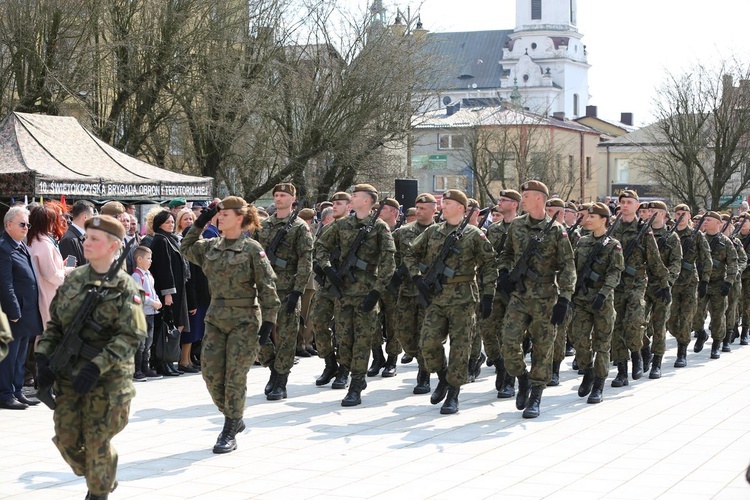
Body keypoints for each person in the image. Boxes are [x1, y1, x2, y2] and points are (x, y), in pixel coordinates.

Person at [35, 215, 147, 499]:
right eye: (87, 237)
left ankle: (98, 490)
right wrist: (44, 358)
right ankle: (103, 474)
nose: (87, 243)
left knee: (97, 441)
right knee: (66, 440)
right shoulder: (74, 281)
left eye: (95, 239)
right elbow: (56, 326)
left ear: (113, 246)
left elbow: (131, 335)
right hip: (70, 376)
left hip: (108, 380)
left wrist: (97, 366)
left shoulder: (125, 287)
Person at [181, 196, 280, 453]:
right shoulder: (211, 247)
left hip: (245, 319)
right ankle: (235, 417)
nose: (220, 216)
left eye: (225, 214)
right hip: (215, 318)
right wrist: (201, 220)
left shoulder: (251, 249)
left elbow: (268, 287)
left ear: (240, 218)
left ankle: (228, 429)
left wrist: (268, 324)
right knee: (211, 375)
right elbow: (186, 246)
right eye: (218, 213)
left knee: (235, 376)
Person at [404, 189, 497, 414]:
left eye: (447, 203)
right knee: (428, 344)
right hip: (436, 298)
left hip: (464, 298)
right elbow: (410, 254)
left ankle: (453, 393)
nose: (442, 206)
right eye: (442, 203)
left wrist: (488, 296)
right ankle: (443, 376)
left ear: (460, 208)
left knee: (460, 347)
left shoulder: (475, 234)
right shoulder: (433, 231)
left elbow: (489, 263)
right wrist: (417, 277)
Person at [497, 181, 575, 418]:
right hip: (519, 295)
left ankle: (536, 396)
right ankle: (522, 378)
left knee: (542, 347)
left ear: (539, 199)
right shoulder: (517, 225)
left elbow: (567, 266)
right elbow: (506, 253)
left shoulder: (556, 230)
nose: (523, 199)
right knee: (509, 341)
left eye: (527, 195)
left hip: (544, 296)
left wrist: (564, 298)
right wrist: (503, 272)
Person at [315, 184, 396, 406]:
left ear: (367, 201)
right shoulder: (342, 225)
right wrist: (328, 268)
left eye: (356, 195)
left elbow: (389, 262)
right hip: (343, 292)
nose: (352, 197)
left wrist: (377, 291)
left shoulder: (379, 228)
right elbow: (320, 246)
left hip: (366, 293)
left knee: (362, 340)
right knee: (343, 339)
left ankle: (356, 384)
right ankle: (347, 373)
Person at [253, 183, 313, 400]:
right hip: (265, 288)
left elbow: (306, 261)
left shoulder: (299, 227)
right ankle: (272, 368)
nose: (278, 199)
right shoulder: (264, 225)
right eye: (276, 195)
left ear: (292, 199)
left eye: (283, 195)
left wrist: (297, 291)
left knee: (287, 336)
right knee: (257, 333)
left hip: (287, 289)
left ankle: (281, 379)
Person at [610, 190, 669, 387]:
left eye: (629, 202)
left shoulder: (644, 230)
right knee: (616, 327)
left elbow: (655, 261)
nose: (625, 205)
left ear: (637, 206)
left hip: (636, 283)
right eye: (622, 202)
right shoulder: (611, 229)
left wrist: (664, 284)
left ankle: (636, 355)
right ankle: (621, 371)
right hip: (615, 285)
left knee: (634, 322)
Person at [569, 203, 624, 403]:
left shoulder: (613, 245)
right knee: (579, 340)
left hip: (602, 302)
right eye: (587, 216)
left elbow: (615, 272)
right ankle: (588, 372)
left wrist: (603, 293)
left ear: (604, 219)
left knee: (602, 344)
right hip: (582, 300)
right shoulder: (582, 242)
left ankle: (599, 384)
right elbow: (573, 269)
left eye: (593, 216)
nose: (588, 219)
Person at [392, 193, 437, 394]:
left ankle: (424, 373)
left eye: (423, 208)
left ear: (434, 210)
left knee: (425, 335)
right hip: (407, 291)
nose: (418, 212)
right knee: (404, 333)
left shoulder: (442, 232)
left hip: (430, 293)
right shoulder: (402, 233)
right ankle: (422, 357)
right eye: (417, 208)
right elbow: (390, 256)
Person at [0, 206, 43, 409]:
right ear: (8, 224)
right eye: (22, 224)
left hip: (26, 311)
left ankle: (17, 391)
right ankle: (5, 394)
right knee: (9, 356)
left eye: (28, 224)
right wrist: (14, 312)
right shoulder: (3, 247)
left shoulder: (20, 244)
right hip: (14, 313)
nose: (26, 227)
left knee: (20, 357)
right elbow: (5, 284)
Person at [482, 189, 520, 399]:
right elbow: (487, 258)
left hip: (515, 289)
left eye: (504, 200)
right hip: (494, 286)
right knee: (488, 330)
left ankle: (509, 377)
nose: (499, 203)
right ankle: (499, 365)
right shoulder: (493, 230)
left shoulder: (523, 227)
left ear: (514, 204)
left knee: (510, 334)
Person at [311, 192, 350, 387]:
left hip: (347, 286)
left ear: (349, 206)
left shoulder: (355, 228)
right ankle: (329, 363)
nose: (335, 206)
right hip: (327, 284)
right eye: (333, 203)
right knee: (318, 322)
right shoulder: (327, 228)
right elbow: (318, 250)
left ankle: (344, 369)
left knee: (343, 329)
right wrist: (325, 266)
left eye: (339, 203)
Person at [641, 201, 682, 379]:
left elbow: (676, 263)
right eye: (649, 211)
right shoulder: (642, 233)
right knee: (636, 322)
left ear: (665, 215)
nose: (651, 214)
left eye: (656, 211)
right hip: (642, 285)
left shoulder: (672, 237)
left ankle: (657, 362)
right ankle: (644, 350)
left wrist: (668, 283)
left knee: (659, 325)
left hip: (662, 287)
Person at [668, 205, 712, 367]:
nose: (679, 217)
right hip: (672, 282)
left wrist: (705, 281)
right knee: (671, 321)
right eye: (677, 214)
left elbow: (706, 259)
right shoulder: (670, 235)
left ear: (689, 217)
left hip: (689, 282)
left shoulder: (697, 235)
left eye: (683, 214)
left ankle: (681, 352)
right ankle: (700, 332)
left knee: (686, 318)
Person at [693, 212, 738, 359]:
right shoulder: (699, 239)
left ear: (719, 223)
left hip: (718, 284)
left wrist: (728, 282)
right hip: (701, 283)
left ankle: (716, 344)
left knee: (718, 316)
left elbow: (733, 264)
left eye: (709, 220)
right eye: (704, 220)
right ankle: (701, 333)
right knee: (696, 313)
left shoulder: (725, 242)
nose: (705, 222)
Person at [150, 210, 189, 376]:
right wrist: (168, 293)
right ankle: (161, 361)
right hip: (166, 292)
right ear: (159, 224)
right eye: (168, 222)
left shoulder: (170, 239)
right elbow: (164, 269)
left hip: (177, 290)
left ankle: (168, 361)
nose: (171, 224)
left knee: (171, 326)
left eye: (173, 222)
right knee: (164, 327)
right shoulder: (160, 240)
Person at [27, 205, 74, 341]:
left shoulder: (36, 240)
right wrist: (67, 270)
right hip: (49, 294)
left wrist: (61, 265)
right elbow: (52, 275)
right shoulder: (43, 243)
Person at [371, 197, 402, 377]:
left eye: (381, 210)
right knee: (372, 321)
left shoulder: (404, 232)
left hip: (393, 285)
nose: (377, 213)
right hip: (374, 282)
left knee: (393, 323)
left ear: (394, 213)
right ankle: (377, 357)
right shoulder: (372, 231)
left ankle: (392, 360)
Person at [131, 246, 163, 381]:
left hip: (151, 313)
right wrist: (152, 302)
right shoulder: (136, 276)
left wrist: (157, 300)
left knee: (148, 342)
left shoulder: (148, 274)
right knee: (140, 343)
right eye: (148, 258)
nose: (151, 261)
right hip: (141, 313)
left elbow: (153, 291)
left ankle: (146, 367)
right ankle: (137, 370)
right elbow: (137, 295)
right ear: (139, 259)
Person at [59, 200, 94, 267]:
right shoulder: (69, 240)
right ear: (85, 217)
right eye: (92, 215)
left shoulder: (81, 236)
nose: (93, 219)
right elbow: (70, 269)